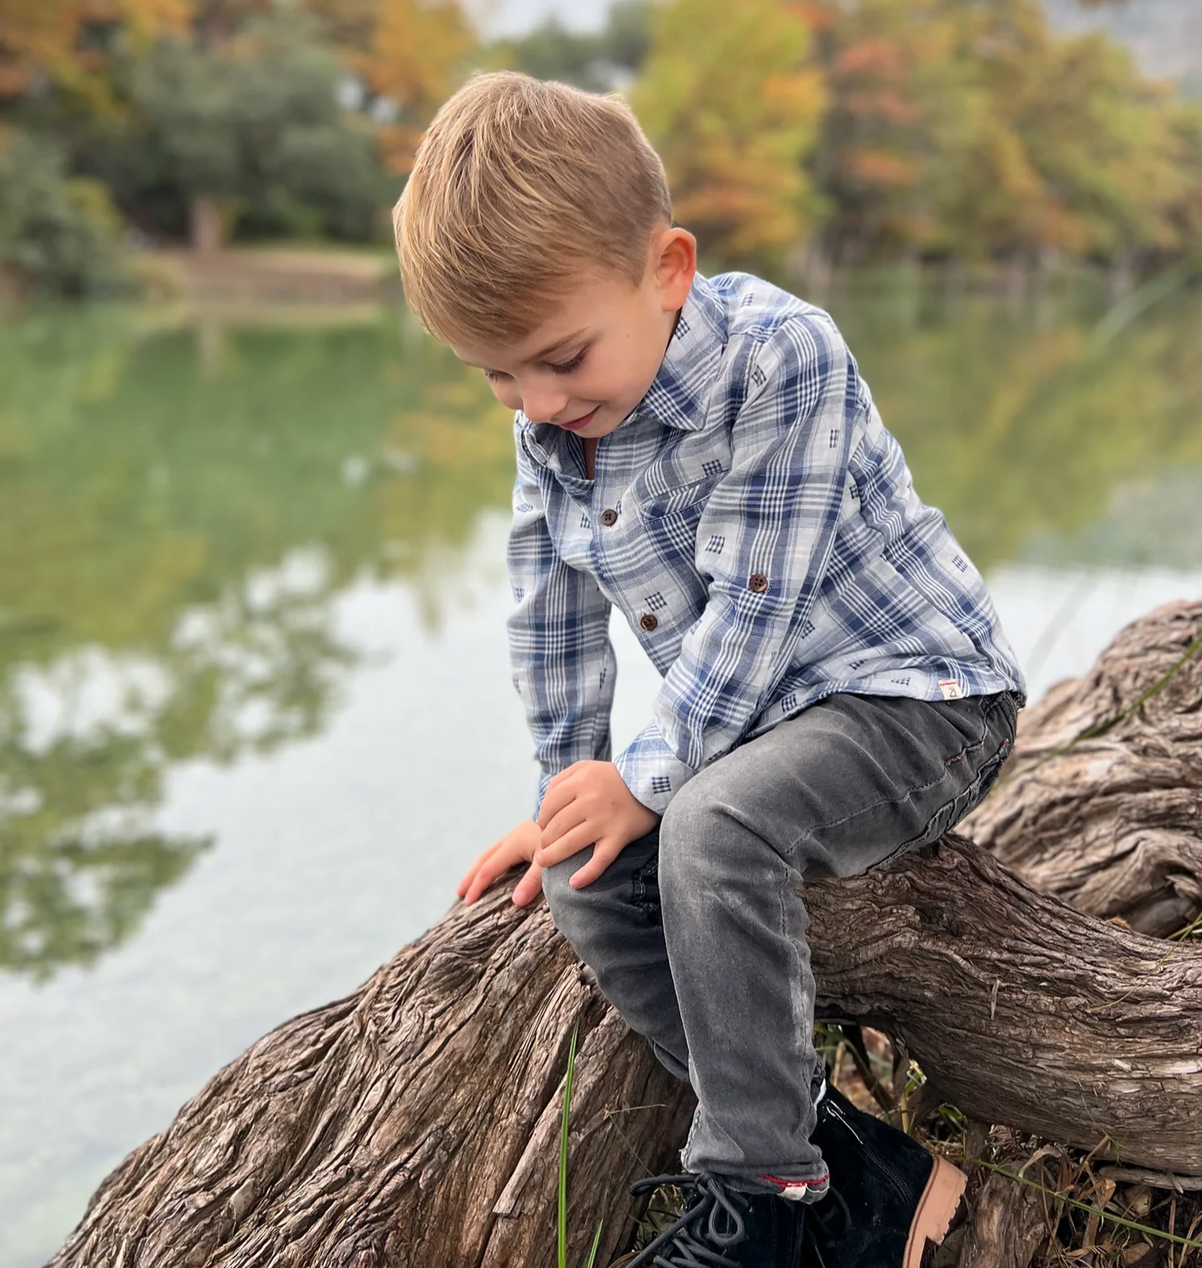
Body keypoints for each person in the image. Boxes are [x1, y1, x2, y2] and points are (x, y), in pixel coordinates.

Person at [393, 72, 1026, 1268]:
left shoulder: (781, 357)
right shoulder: (556, 422)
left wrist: (651, 776)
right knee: (585, 873)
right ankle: (849, 1170)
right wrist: (567, 788)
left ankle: (759, 1204)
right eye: (496, 377)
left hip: (918, 699)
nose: (534, 402)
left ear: (667, 269)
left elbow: (755, 605)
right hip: (756, 725)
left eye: (559, 356)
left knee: (713, 826)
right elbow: (549, 612)